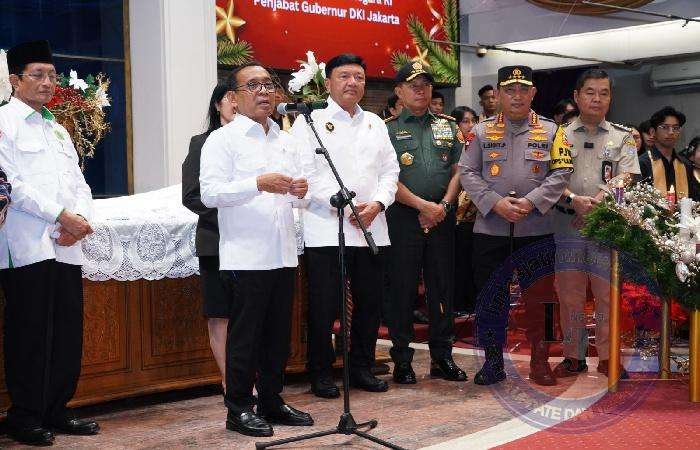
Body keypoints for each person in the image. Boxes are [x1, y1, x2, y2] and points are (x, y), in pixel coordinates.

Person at [200, 62, 312, 437]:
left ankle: (271, 400)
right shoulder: (222, 140)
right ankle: (238, 408)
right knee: (245, 336)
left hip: (283, 250)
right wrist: (257, 184)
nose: (264, 91)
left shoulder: (285, 139)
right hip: (246, 253)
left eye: (268, 84)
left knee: (278, 335)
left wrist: (300, 192)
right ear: (233, 97)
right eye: (253, 85)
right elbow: (210, 193)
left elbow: (296, 197)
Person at [0, 40, 100, 446]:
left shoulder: (57, 128)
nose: (47, 82)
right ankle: (24, 415)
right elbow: (11, 184)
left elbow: (78, 183)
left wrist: (81, 221)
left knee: (66, 331)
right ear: (14, 80)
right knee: (29, 332)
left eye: (52, 75)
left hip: (66, 243)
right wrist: (61, 216)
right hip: (26, 244)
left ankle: (58, 408)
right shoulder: (4, 122)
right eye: (37, 75)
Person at [290, 53, 399, 398]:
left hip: (372, 227)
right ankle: (321, 372)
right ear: (328, 82)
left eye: (359, 77)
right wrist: (339, 201)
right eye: (344, 76)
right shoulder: (310, 121)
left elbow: (390, 171)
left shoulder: (375, 123)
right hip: (326, 227)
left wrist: (378, 203)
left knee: (369, 304)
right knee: (324, 306)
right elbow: (304, 172)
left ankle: (362, 367)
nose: (352, 83)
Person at [460, 65, 573, 386]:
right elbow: (467, 171)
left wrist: (532, 201)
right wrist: (494, 202)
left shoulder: (552, 131)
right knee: (490, 299)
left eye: (524, 89)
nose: (517, 96)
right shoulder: (480, 132)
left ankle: (541, 361)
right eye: (510, 90)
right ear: (498, 94)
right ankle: (492, 362)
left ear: (533, 93)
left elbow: (562, 172)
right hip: (490, 229)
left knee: (542, 302)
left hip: (536, 229)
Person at [552, 69, 640, 380]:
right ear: (577, 97)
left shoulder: (623, 136)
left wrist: (598, 201)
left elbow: (627, 175)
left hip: (606, 227)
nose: (597, 98)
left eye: (604, 93)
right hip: (567, 224)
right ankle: (573, 356)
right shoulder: (558, 135)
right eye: (590, 92)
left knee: (607, 295)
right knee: (570, 295)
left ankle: (607, 357)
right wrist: (574, 199)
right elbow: (549, 178)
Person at [385, 62, 468, 385]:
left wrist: (443, 205)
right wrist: (422, 206)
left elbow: (460, 170)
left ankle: (442, 357)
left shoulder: (449, 126)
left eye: (425, 84)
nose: (420, 90)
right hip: (402, 217)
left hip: (442, 217)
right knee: (402, 289)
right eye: (413, 85)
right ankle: (402, 360)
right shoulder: (386, 130)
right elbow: (385, 178)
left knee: (442, 287)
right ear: (399, 91)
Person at [182, 82, 236, 391]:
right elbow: (191, 195)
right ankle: (230, 381)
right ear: (217, 105)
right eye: (229, 98)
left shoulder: (256, 142)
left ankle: (249, 377)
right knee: (220, 315)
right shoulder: (201, 143)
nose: (235, 103)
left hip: (254, 242)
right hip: (215, 241)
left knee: (248, 315)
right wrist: (231, 217)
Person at [451, 106, 479, 314]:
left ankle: (472, 301)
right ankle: (458, 302)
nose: (471, 125)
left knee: (473, 260)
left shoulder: (478, 144)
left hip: (476, 213)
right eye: (466, 121)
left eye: (473, 120)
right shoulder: (454, 146)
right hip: (456, 213)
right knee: (458, 261)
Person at [638, 106, 695, 200]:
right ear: (653, 132)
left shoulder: (686, 165)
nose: (671, 132)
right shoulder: (642, 163)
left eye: (675, 128)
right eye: (665, 127)